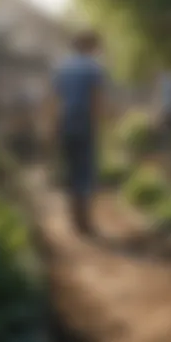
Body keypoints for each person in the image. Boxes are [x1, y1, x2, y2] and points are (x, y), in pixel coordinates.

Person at [50, 30, 105, 236]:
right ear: (89, 47)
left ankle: (73, 219)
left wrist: (53, 127)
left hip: (65, 123)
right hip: (84, 124)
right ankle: (84, 221)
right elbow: (95, 99)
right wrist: (98, 124)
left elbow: (54, 99)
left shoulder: (61, 68)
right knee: (85, 170)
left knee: (71, 169)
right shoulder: (93, 69)